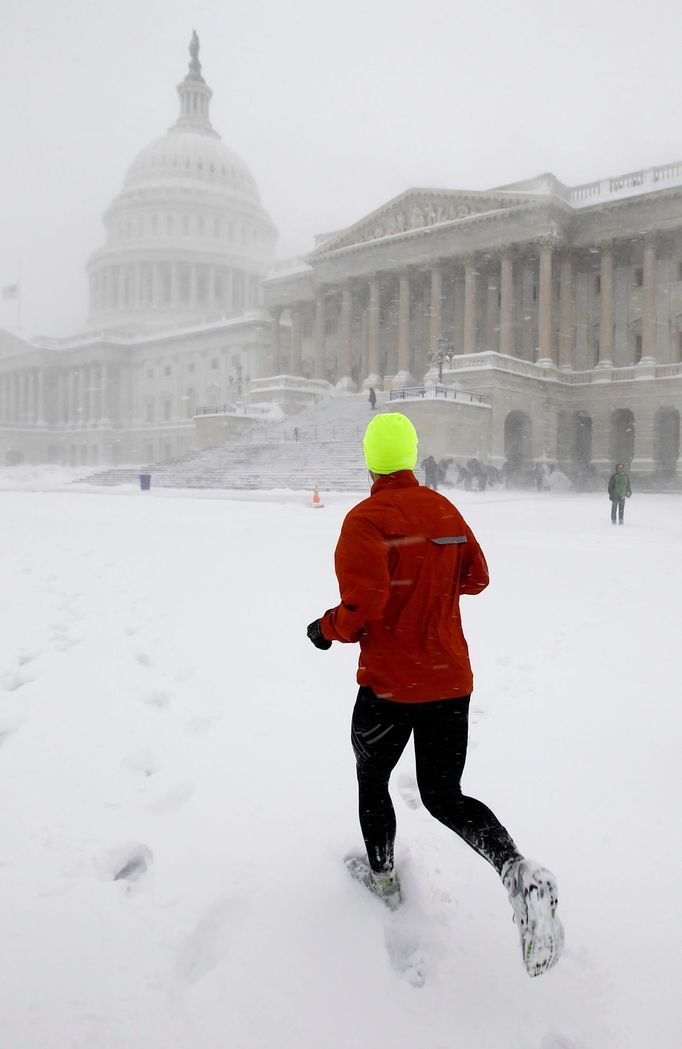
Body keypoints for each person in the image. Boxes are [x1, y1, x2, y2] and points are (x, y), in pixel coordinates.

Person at [306, 413, 564, 978]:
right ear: (413, 457)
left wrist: (325, 629)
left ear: (372, 460)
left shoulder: (365, 519)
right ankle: (516, 870)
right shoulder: (445, 510)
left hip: (390, 686)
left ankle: (383, 877)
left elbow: (363, 607)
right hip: (449, 680)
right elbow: (477, 578)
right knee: (445, 794)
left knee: (373, 781)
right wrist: (433, 577)